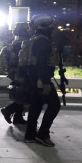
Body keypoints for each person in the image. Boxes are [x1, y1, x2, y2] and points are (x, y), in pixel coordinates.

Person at [23, 15, 61, 147]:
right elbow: (41, 63)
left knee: (36, 106)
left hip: (33, 78)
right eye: (51, 26)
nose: (53, 29)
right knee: (55, 105)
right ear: (44, 26)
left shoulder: (35, 39)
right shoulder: (43, 42)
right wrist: (44, 81)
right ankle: (43, 134)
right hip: (40, 78)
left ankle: (30, 135)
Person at [0, 22, 30, 125]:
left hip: (14, 73)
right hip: (22, 74)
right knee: (26, 95)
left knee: (22, 94)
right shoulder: (23, 44)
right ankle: (8, 110)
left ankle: (17, 118)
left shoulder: (13, 43)